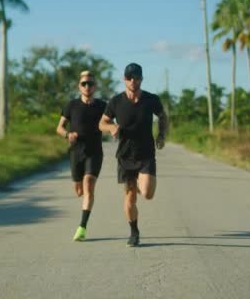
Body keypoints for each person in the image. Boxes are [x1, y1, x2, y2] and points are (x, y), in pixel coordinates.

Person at [99, 63, 168, 247]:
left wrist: (161, 134)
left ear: (141, 79)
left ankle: (141, 182)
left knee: (147, 194)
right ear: (124, 79)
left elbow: (162, 116)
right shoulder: (115, 102)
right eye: (129, 78)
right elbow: (102, 123)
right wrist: (111, 127)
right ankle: (134, 232)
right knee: (130, 197)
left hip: (146, 154)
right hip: (125, 156)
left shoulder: (151, 99)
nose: (133, 81)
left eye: (136, 78)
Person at [56, 70, 107, 242]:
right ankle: (83, 205)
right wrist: (67, 135)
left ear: (95, 86)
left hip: (94, 152)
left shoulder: (102, 106)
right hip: (76, 152)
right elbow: (60, 127)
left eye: (90, 84)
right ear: (79, 86)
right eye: (84, 84)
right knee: (79, 190)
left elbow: (110, 123)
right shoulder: (71, 105)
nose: (87, 86)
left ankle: (82, 227)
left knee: (88, 185)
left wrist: (112, 129)